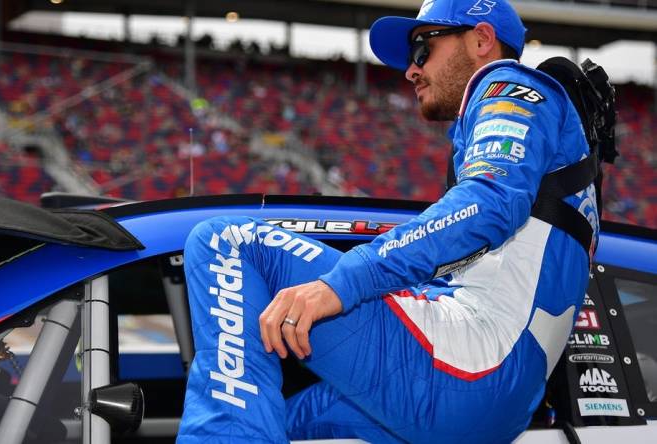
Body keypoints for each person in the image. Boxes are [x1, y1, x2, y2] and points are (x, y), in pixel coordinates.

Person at [177, 0, 599, 442]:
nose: (410, 71)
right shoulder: (547, 152)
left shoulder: (507, 83)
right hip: (497, 397)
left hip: (470, 368)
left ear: (481, 40)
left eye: (422, 49)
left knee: (226, 238)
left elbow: (490, 203)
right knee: (282, 423)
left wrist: (341, 282)